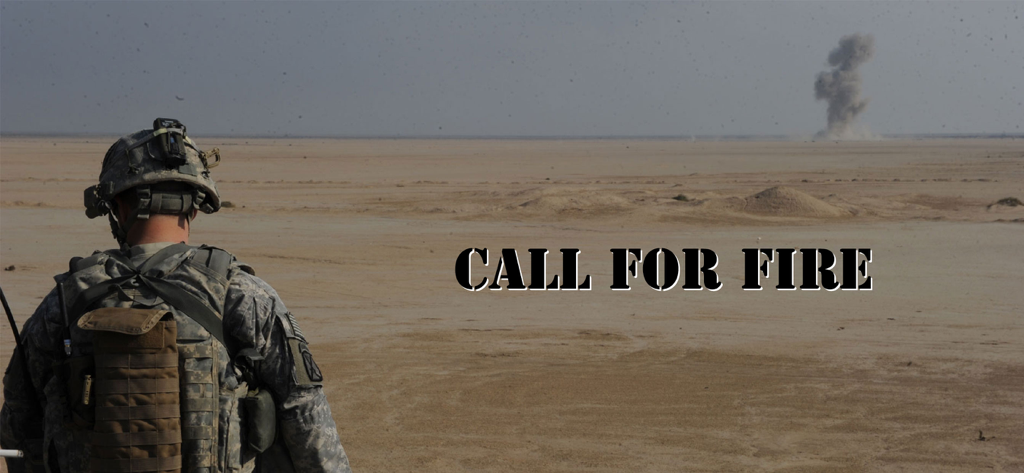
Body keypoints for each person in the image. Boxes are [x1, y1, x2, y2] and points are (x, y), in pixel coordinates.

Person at [1, 119, 352, 473]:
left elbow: (18, 419)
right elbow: (307, 419)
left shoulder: (64, 300)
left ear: (118, 206)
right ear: (195, 206)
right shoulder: (241, 294)